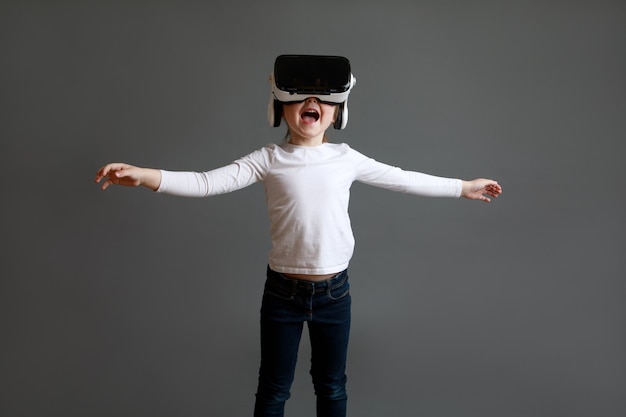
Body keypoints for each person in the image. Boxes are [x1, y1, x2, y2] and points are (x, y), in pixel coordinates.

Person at [94, 55, 502, 417]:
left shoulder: (346, 159)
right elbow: (205, 182)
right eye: (302, 98)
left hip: (334, 294)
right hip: (282, 295)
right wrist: (145, 176)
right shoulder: (267, 160)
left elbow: (403, 179)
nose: (313, 105)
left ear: (337, 112)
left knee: (332, 386)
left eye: (324, 99)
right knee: (273, 391)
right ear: (279, 107)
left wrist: (462, 186)